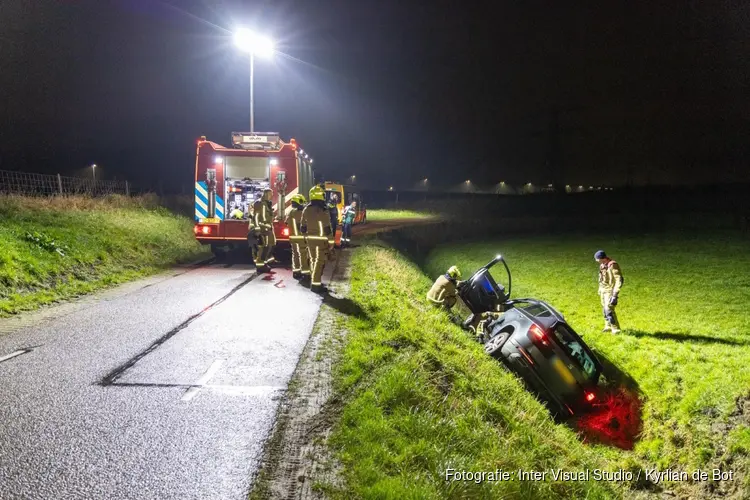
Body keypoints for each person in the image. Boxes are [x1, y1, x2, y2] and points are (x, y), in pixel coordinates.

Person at [301, 185, 335, 293]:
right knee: (319, 262)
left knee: (312, 260)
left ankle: (314, 280)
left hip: (310, 240)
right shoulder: (323, 210)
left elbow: (302, 226)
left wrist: (306, 237)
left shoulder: (306, 209)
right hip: (321, 240)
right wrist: (331, 241)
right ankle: (316, 284)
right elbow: (327, 228)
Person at [595, 250, 624, 333]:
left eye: (597, 259)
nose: (596, 260)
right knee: (604, 309)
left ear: (601, 258)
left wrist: (615, 294)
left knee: (609, 309)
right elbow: (601, 278)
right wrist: (600, 289)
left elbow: (619, 279)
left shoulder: (613, 265)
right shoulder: (602, 265)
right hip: (603, 290)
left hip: (610, 290)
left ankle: (615, 328)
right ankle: (608, 325)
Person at [285, 194, 310, 281]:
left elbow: (286, 222)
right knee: (303, 255)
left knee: (295, 254)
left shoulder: (291, 212)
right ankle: (305, 273)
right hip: (301, 237)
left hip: (293, 237)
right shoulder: (303, 212)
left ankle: (296, 271)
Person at [252, 189, 276, 272]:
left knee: (269, 246)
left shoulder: (267, 204)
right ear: (265, 194)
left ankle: (265, 263)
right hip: (262, 229)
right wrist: (257, 229)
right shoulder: (259, 203)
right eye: (270, 194)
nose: (271, 196)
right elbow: (256, 216)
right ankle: (260, 266)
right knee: (262, 248)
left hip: (268, 229)